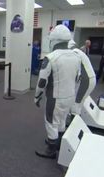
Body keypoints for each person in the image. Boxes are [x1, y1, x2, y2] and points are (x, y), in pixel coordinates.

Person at [34, 25, 82, 159]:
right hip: (70, 96)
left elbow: (41, 82)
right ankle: (59, 143)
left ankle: (51, 149)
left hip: (55, 98)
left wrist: (37, 97)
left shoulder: (50, 58)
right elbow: (79, 79)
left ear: (53, 40)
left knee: (50, 122)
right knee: (61, 120)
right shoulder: (76, 56)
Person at [69, 40, 96, 115]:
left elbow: (75, 71)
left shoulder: (74, 53)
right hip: (90, 78)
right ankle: (77, 117)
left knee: (76, 103)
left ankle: (74, 121)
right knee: (80, 102)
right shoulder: (79, 52)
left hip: (86, 80)